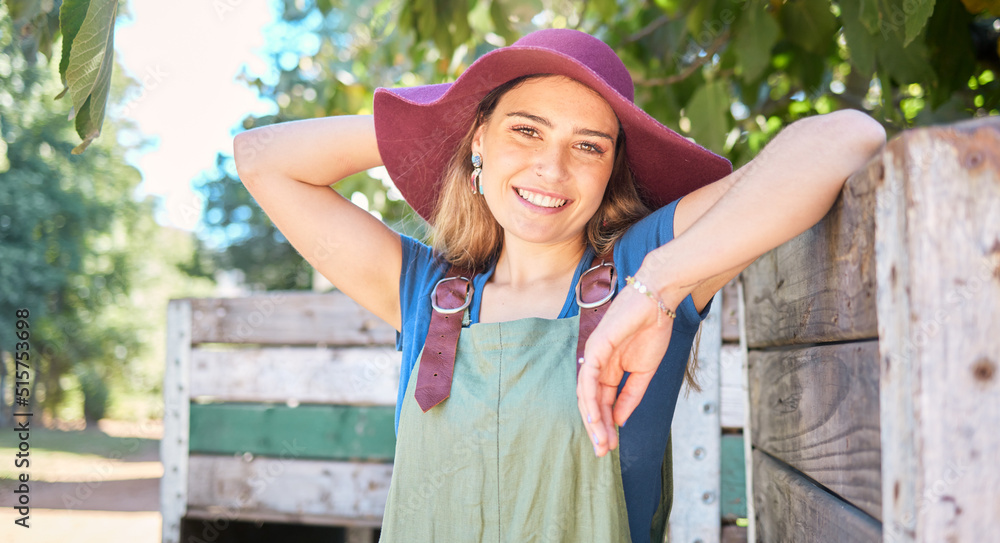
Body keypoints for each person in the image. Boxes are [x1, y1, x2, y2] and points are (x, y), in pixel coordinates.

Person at [233, 28, 885, 543]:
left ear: (612, 170)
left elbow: (846, 137)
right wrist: (452, 106)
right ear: (478, 140)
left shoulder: (643, 267)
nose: (551, 167)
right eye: (526, 129)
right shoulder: (425, 290)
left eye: (588, 146)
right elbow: (261, 158)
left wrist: (658, 285)